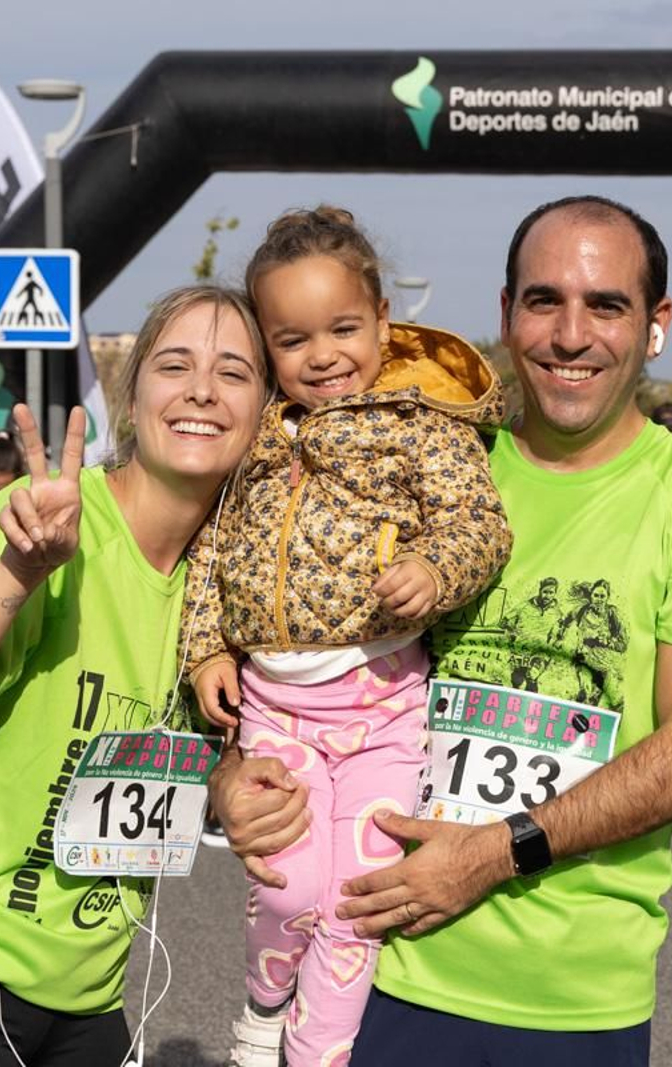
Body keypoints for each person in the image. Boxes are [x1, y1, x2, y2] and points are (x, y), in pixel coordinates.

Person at [210, 195, 672, 1065]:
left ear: (655, 324)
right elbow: (276, 635)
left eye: (607, 305)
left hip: (570, 1001)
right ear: (507, 315)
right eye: (544, 301)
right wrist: (234, 775)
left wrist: (491, 854)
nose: (571, 333)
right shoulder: (435, 464)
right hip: (388, 970)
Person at [0, 286, 268, 1066]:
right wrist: (21, 572)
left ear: (266, 409)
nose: (202, 389)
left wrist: (231, 786)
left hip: (86, 993)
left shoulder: (233, 582)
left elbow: (206, 751)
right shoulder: (44, 524)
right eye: (175, 365)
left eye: (234, 372)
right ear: (131, 399)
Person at [184, 206, 512, 1067]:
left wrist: (438, 571)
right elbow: (212, 545)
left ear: (381, 323)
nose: (322, 355)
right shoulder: (255, 434)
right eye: (292, 340)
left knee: (358, 897)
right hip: (275, 709)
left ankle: (317, 1051)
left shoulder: (419, 426)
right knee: (288, 885)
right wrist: (206, 647)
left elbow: (479, 523)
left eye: (343, 329)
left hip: (384, 707)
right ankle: (262, 1005)